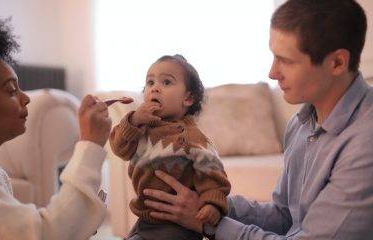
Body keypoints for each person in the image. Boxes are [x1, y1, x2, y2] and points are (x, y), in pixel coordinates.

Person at [142, 0, 373, 239]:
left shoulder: (365, 144)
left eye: (287, 60)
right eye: (274, 56)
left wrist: (207, 224)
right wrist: (209, 202)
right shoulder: (301, 124)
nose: (272, 72)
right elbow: (285, 217)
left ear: (336, 63)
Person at [0, 12, 112, 239]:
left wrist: (80, 222)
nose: (25, 98)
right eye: (10, 90)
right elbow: (45, 234)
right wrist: (90, 144)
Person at [109, 54, 231, 240]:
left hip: (177, 225)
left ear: (188, 98)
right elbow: (119, 148)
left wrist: (212, 205)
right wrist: (133, 120)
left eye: (166, 82)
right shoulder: (140, 129)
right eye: (150, 83)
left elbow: (212, 173)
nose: (155, 88)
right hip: (144, 221)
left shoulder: (191, 137)